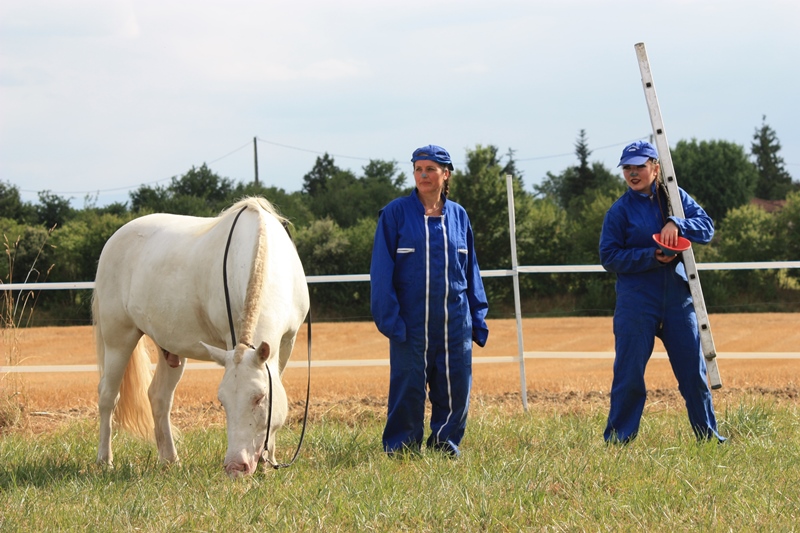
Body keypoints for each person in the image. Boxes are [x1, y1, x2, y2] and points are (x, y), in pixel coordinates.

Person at [599, 140, 725, 444]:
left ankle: (708, 438)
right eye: (627, 168)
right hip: (636, 300)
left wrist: (676, 223)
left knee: (693, 376)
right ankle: (619, 441)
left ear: (656, 168)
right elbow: (609, 257)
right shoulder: (619, 212)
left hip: (677, 299)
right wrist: (650, 256)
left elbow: (706, 228)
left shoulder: (675, 199)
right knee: (628, 374)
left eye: (639, 166)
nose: (632, 173)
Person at [370, 144, 489, 457]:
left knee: (455, 389)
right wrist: (390, 319)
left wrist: (477, 317)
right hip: (410, 323)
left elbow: (471, 269)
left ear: (445, 174)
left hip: (455, 322)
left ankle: (444, 446)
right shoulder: (395, 214)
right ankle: (401, 448)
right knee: (408, 389)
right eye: (418, 169)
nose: (423, 175)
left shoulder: (459, 216)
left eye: (430, 169)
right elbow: (382, 273)